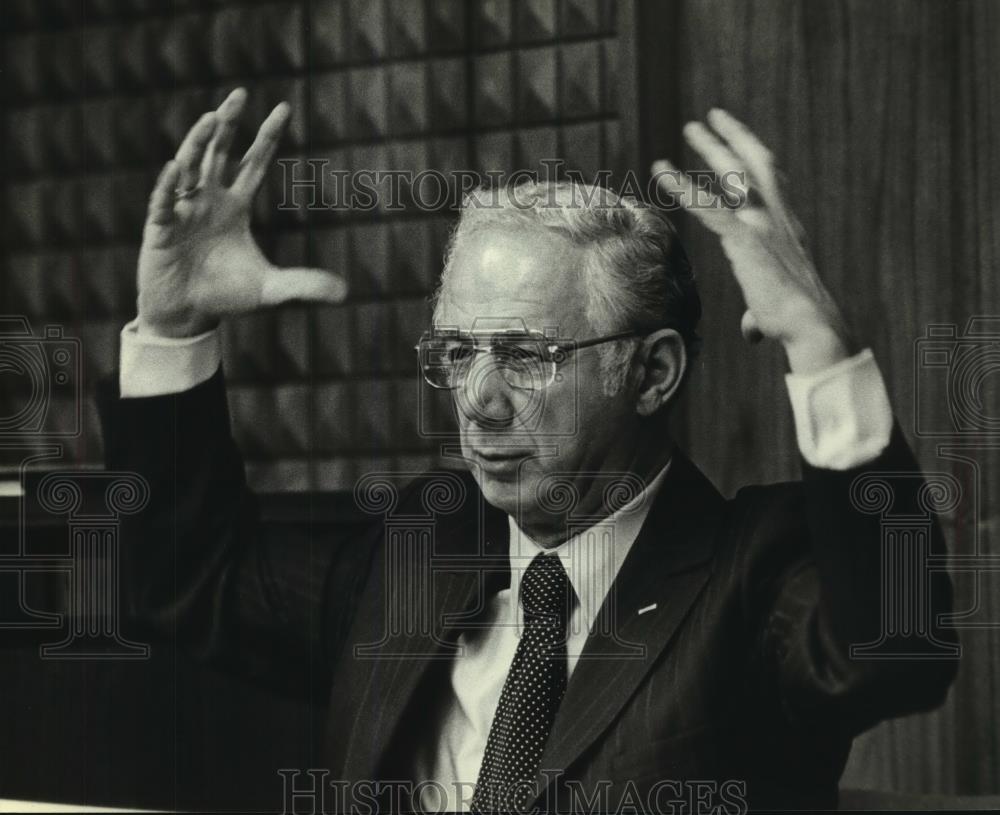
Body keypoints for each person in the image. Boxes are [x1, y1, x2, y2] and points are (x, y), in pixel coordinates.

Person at [99, 87, 957, 813]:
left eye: (524, 355)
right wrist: (174, 328)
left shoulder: (749, 569)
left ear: (651, 371)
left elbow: (895, 654)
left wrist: (823, 348)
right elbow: (184, 575)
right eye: (458, 352)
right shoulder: (417, 552)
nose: (477, 400)